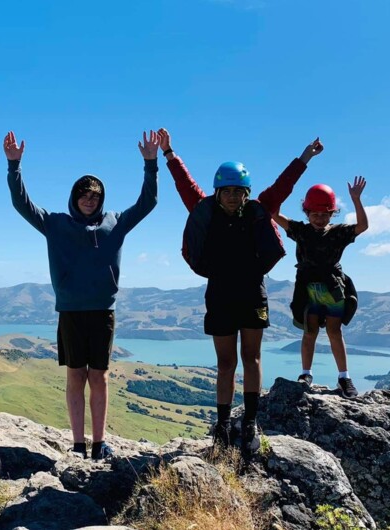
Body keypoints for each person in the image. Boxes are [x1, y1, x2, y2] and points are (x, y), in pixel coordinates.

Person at [158, 128, 323, 456]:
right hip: (219, 295)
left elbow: (283, 185)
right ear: (218, 192)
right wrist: (169, 154)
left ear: (246, 193)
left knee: (252, 357)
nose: (233, 196)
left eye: (239, 191)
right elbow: (185, 184)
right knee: (225, 363)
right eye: (227, 190)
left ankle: (249, 421)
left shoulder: (258, 209)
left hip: (251, 295)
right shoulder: (204, 210)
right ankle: (221, 425)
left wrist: (306, 156)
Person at [4, 130, 158, 460]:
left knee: (99, 377)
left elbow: (148, 203)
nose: (89, 200)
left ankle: (100, 443)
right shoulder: (55, 223)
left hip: (103, 311)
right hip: (71, 312)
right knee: (76, 375)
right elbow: (21, 203)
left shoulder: (115, 223)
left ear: (101, 199)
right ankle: (77, 445)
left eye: (95, 196)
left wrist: (151, 164)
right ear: (74, 197)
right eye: (84, 194)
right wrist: (14, 165)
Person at [272, 177, 368, 398]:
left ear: (332, 214)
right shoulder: (300, 230)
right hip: (308, 289)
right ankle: (306, 374)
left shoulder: (338, 232)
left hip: (332, 287)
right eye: (315, 214)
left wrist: (356, 199)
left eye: (325, 214)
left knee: (334, 331)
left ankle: (344, 377)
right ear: (307, 213)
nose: (319, 218)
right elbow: (274, 214)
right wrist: (282, 191)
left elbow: (362, 226)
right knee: (310, 332)